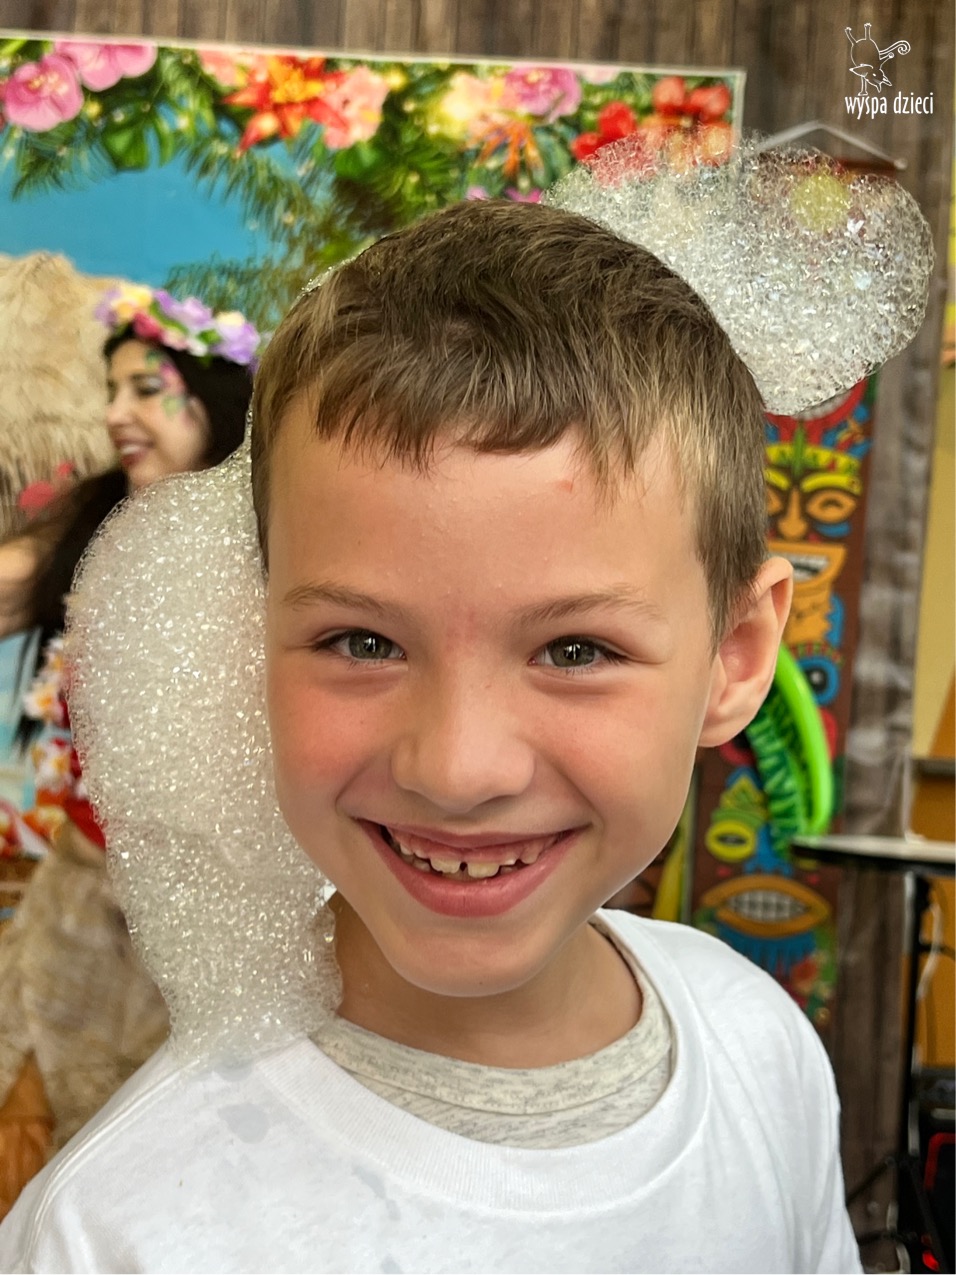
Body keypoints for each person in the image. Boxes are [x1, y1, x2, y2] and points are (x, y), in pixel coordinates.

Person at [0, 141, 932, 1272]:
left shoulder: (759, 1048)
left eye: (576, 649)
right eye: (362, 642)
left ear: (732, 657)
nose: (457, 767)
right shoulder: (119, 1230)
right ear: (249, 640)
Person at [0, 283, 262, 1218]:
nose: (116, 413)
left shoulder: (281, 543)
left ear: (215, 402)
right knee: (31, 1108)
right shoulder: (99, 531)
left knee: (153, 1151)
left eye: (146, 389)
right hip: (80, 890)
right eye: (112, 390)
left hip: (213, 911)